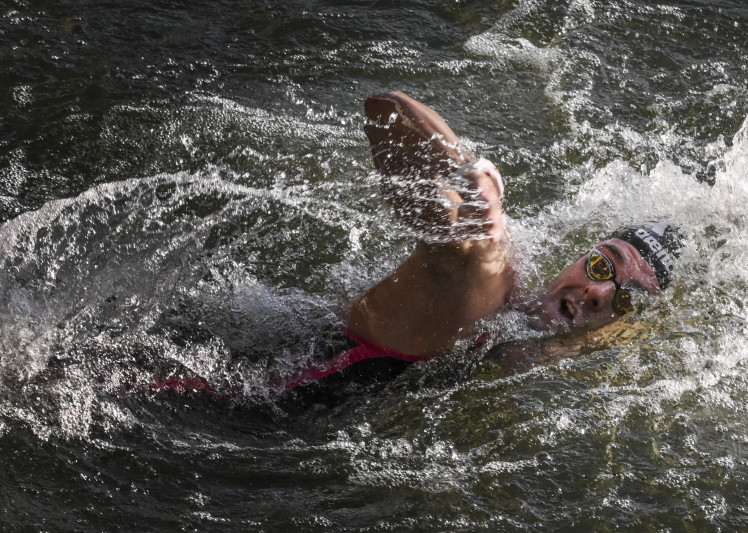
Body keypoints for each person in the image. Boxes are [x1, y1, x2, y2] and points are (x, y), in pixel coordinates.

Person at [151, 91, 681, 399]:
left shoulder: (581, 358)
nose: (594, 292)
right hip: (207, 389)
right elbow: (387, 108)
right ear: (577, 254)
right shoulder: (491, 280)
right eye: (599, 265)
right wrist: (466, 179)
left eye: (624, 299)